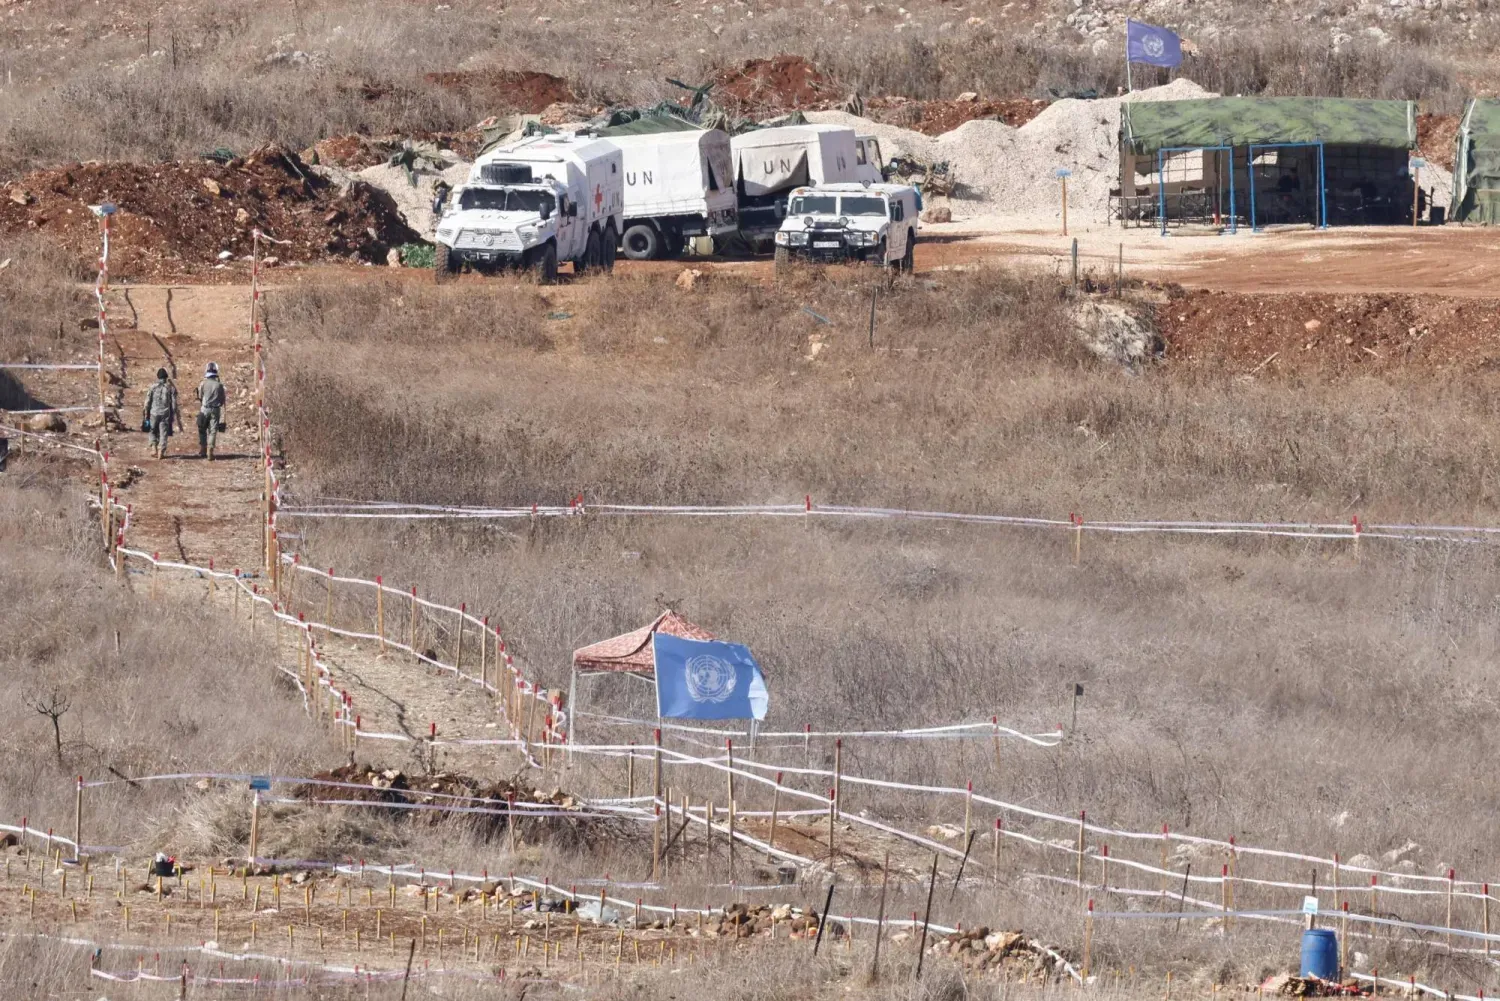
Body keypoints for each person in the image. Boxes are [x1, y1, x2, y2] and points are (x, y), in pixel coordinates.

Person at [142, 368, 181, 459]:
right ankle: (161, 451)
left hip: (154, 412)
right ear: (166, 377)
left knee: (152, 430)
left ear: (158, 377)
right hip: (165, 413)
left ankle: (154, 447)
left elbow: (147, 401)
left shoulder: (152, 387)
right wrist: (173, 413)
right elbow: (174, 403)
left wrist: (145, 411)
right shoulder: (170, 388)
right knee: (163, 432)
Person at [195, 362, 226, 460]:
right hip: (215, 410)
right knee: (213, 431)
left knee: (202, 429)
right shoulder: (219, 385)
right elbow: (222, 400)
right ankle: (210, 451)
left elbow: (199, 396)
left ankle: (203, 448)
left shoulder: (203, 383)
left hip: (204, 409)